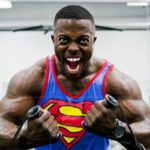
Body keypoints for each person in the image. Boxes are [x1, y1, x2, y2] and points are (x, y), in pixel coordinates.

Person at [0, 5, 150, 150]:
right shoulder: (33, 78)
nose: (73, 48)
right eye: (64, 40)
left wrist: (117, 129)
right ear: (54, 40)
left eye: (83, 40)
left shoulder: (114, 81)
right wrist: (26, 138)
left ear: (93, 41)